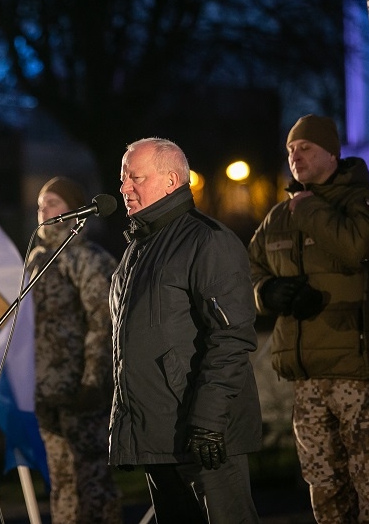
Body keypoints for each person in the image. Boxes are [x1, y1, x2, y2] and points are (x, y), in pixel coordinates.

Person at [247, 114, 369, 523]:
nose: (295, 156)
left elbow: (356, 248)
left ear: (332, 151)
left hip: (358, 373)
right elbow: (247, 271)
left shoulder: (366, 201)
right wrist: (266, 294)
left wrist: (307, 207)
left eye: (306, 148)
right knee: (325, 491)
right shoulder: (277, 216)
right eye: (291, 150)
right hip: (307, 379)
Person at [109, 138, 263, 523]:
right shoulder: (137, 250)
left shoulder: (207, 241)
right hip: (158, 435)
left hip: (205, 436)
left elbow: (231, 338)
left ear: (170, 180)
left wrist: (209, 424)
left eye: (135, 178)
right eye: (123, 178)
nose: (125, 188)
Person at [27, 176, 122, 523]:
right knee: (62, 480)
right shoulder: (36, 259)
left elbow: (103, 324)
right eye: (41, 204)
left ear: (74, 208)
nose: (44, 210)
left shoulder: (88, 258)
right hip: (46, 390)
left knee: (92, 479)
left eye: (53, 202)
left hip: (82, 390)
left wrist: (94, 381)